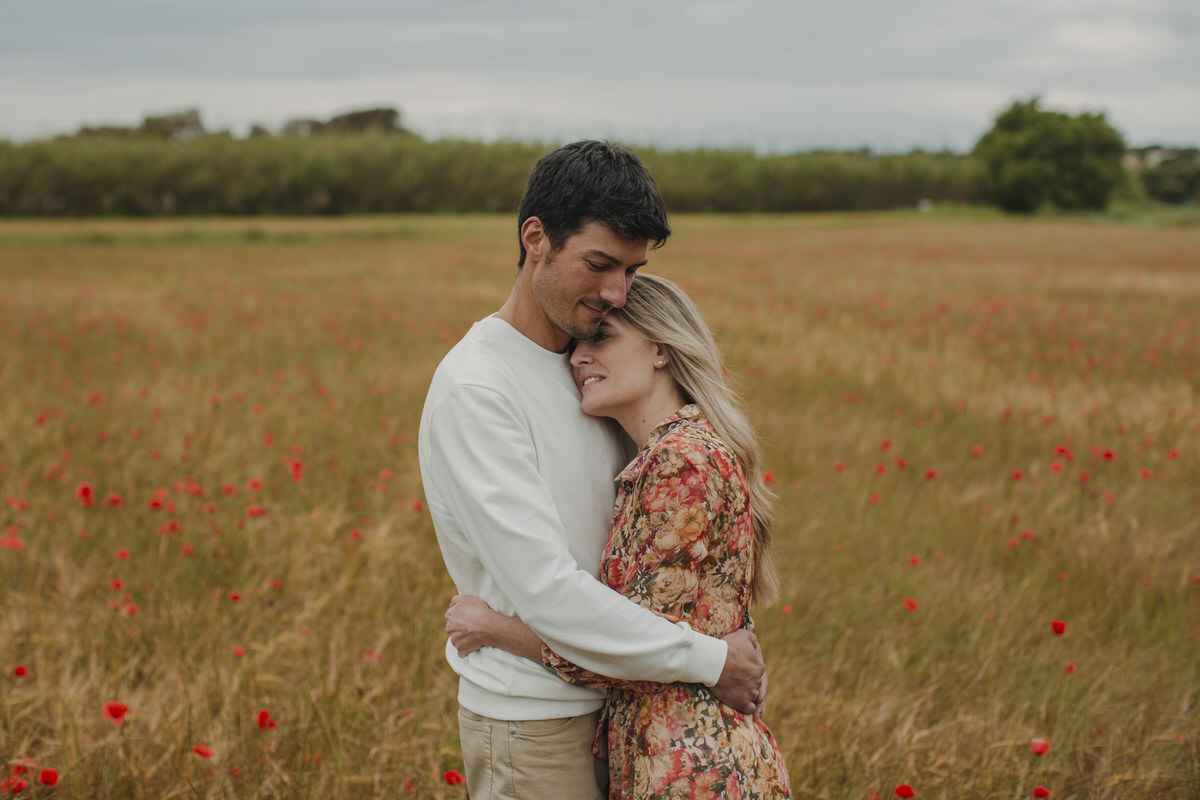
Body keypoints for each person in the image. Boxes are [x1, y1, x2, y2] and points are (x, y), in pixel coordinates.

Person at [417, 141, 767, 800]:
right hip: (536, 723)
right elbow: (550, 593)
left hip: (633, 716)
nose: (615, 293)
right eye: (600, 264)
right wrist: (714, 660)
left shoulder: (598, 380)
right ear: (536, 239)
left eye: (631, 271)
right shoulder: (478, 388)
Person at [445, 273, 791, 799]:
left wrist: (493, 628)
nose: (578, 358)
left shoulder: (679, 463)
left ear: (661, 349)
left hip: (689, 765)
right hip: (683, 754)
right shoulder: (672, 452)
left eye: (601, 338)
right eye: (575, 345)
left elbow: (635, 650)